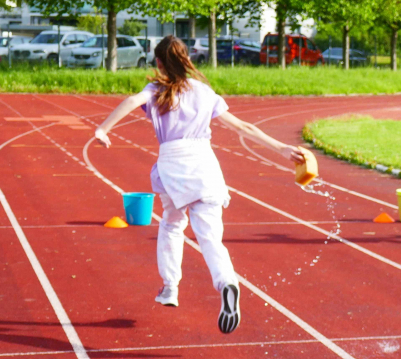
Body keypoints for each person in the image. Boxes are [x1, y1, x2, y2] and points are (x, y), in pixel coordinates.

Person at [94, 35, 303, 334]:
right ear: (187, 60)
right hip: (205, 164)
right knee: (210, 238)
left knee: (172, 224)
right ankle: (226, 281)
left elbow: (130, 101)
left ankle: (170, 287)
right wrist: (282, 148)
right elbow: (243, 126)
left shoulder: (156, 89)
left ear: (159, 62)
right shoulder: (204, 92)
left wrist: (103, 129)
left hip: (173, 164)